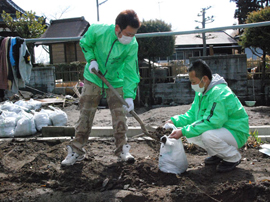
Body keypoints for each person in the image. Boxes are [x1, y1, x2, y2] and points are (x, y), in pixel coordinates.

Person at [61, 9, 141, 166]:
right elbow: (85, 43)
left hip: (116, 80)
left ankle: (122, 150)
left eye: (133, 34)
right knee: (85, 114)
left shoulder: (132, 44)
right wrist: (91, 60)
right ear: (117, 28)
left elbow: (131, 71)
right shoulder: (98, 30)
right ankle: (76, 151)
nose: (130, 38)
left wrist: (130, 95)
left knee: (120, 116)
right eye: (128, 34)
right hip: (93, 77)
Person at [166, 59, 249, 172]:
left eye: (194, 82)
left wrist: (183, 131)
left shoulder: (219, 93)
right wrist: (174, 121)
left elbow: (212, 121)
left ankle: (233, 157)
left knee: (206, 135)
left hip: (236, 132)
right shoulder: (202, 92)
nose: (192, 85)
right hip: (223, 130)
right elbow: (192, 115)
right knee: (193, 133)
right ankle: (219, 154)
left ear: (204, 78)